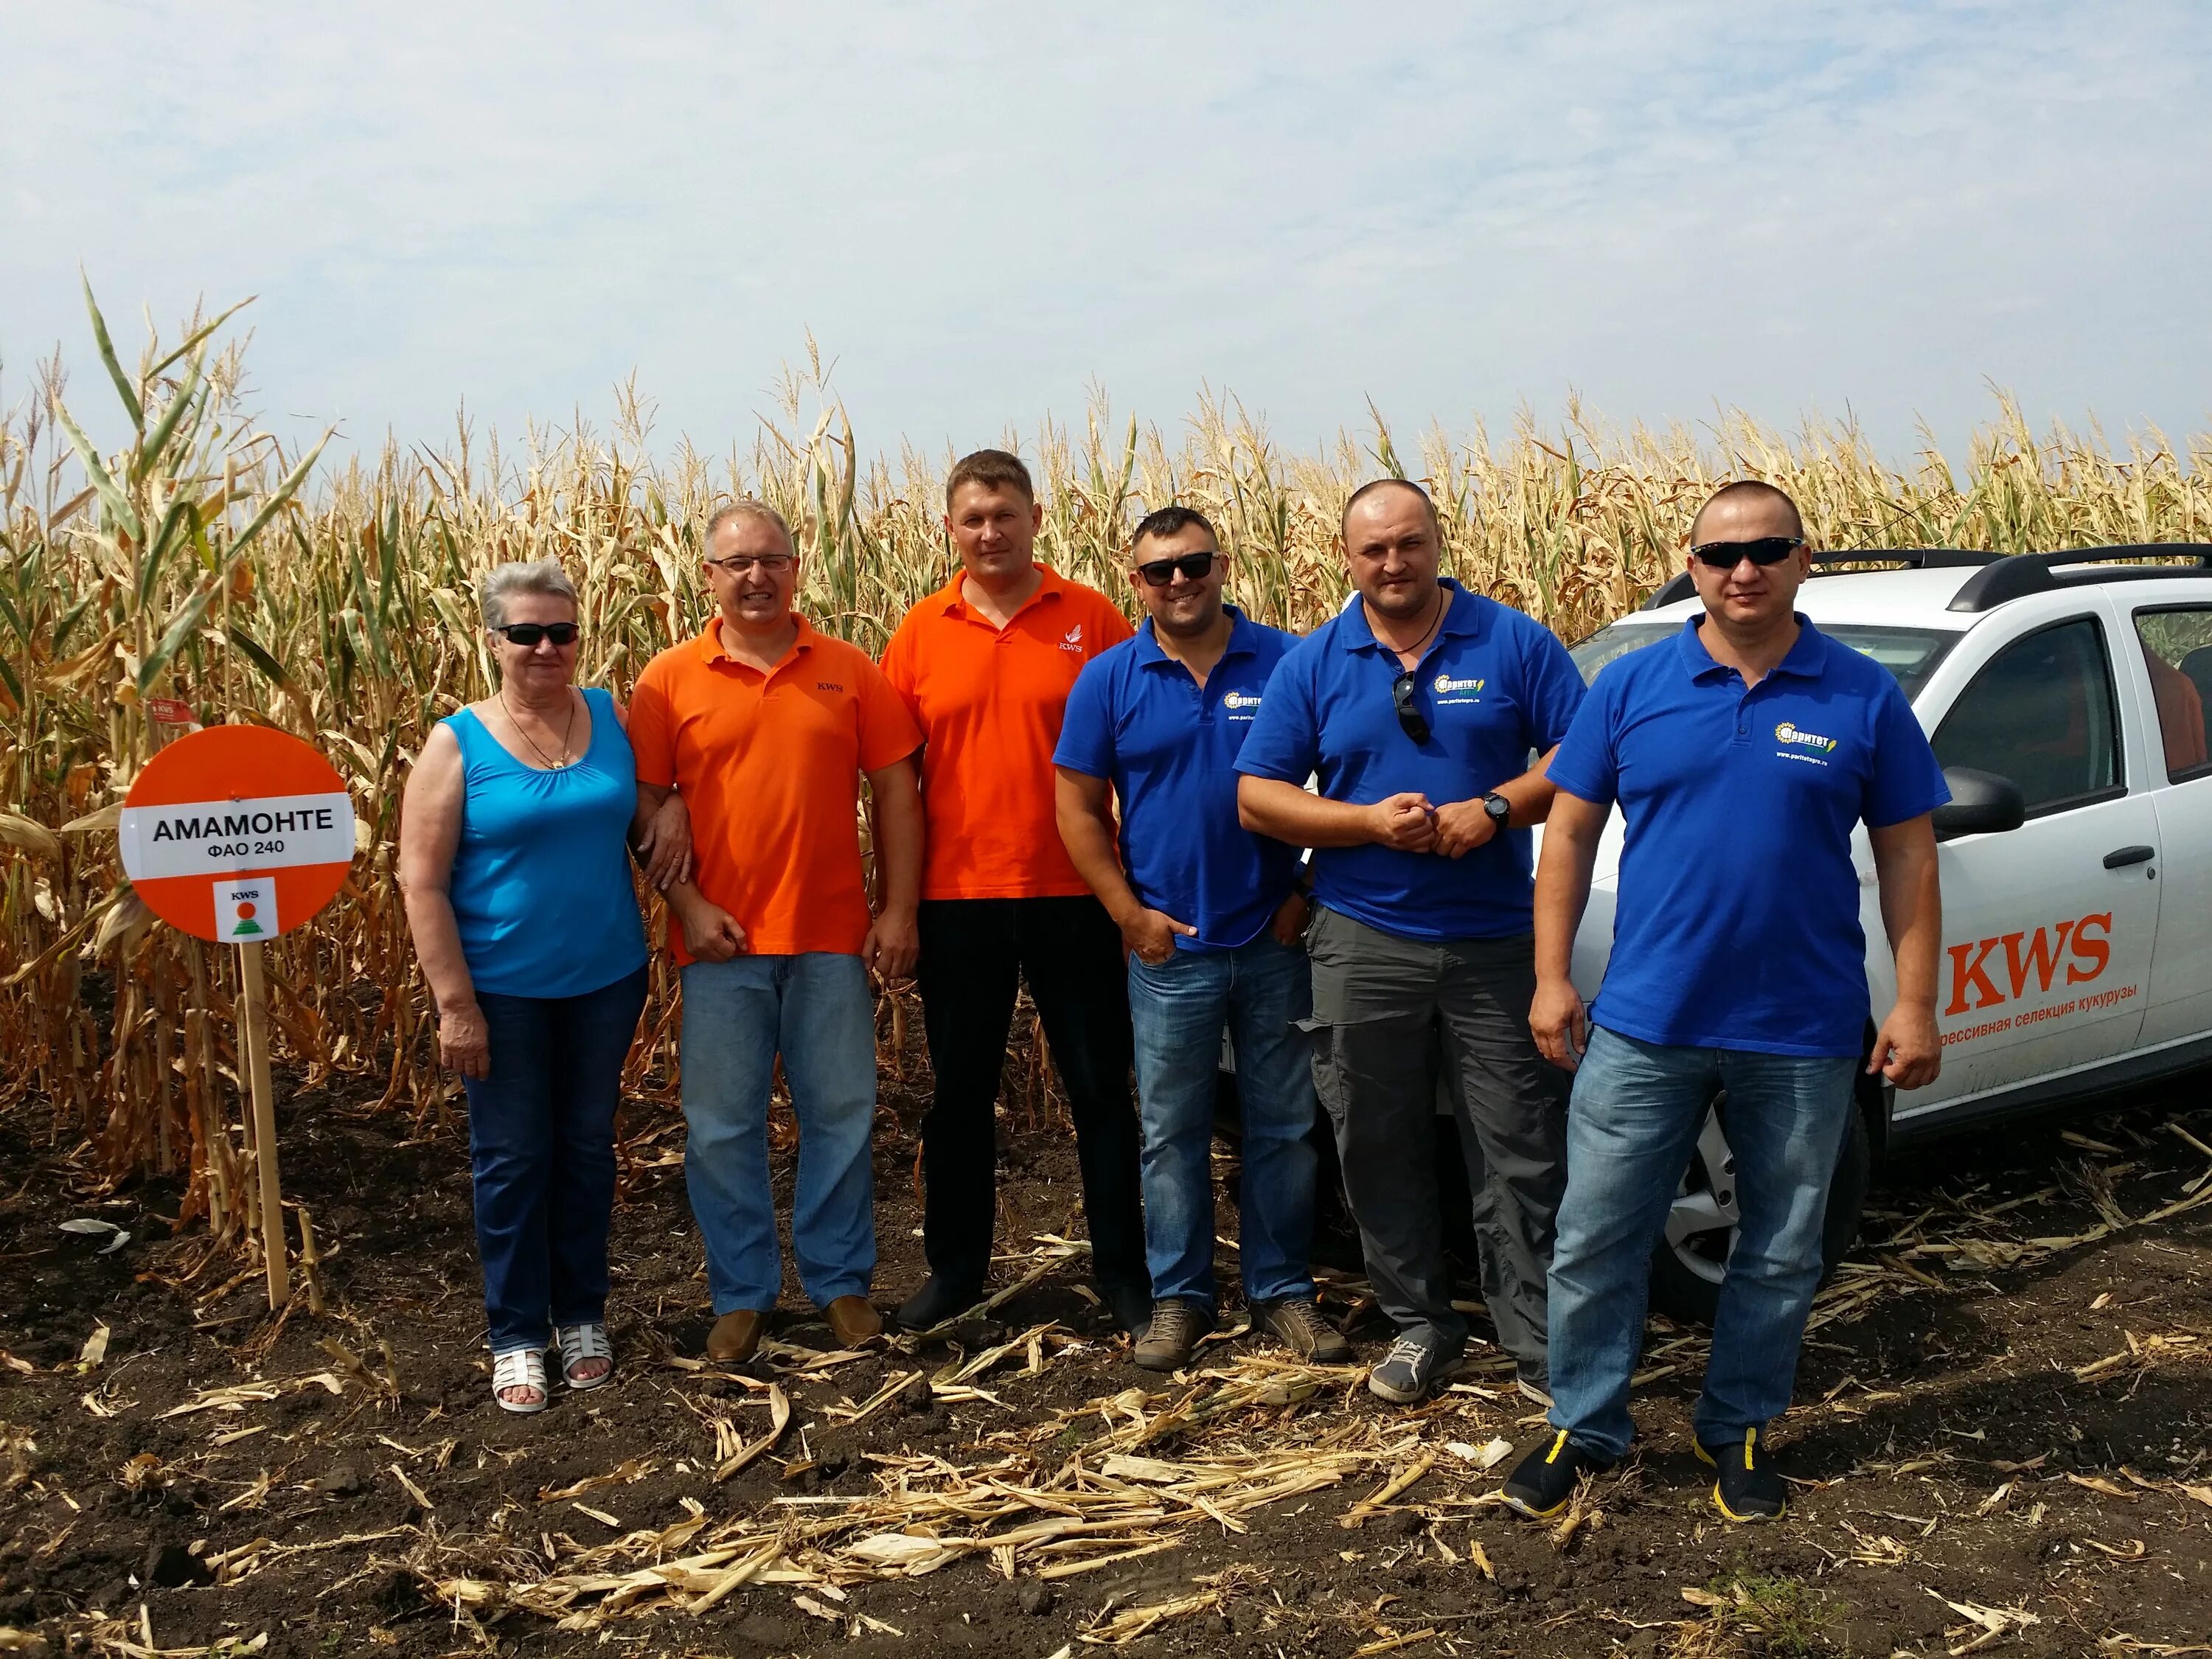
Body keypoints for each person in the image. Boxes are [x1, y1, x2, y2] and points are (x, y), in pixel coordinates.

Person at [1503, 480, 1945, 1525]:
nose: (1742, 570)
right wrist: (1553, 974)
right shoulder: (1630, 686)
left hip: (1802, 1027)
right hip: (1648, 1018)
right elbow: (1565, 833)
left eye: (1768, 549)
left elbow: (1910, 855)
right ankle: (1585, 1421)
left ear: (1803, 560)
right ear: (1691, 565)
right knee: (1596, 1232)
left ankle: (1738, 1426)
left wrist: (1915, 1001)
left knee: (1784, 1244)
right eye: (1720, 554)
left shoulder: (1861, 695)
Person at [1235, 479, 1587, 1405]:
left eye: (1409, 544)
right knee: (1375, 1142)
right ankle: (1421, 1325)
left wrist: (1499, 807)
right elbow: (1258, 793)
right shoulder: (1317, 661)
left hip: (1496, 943)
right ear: (1348, 559)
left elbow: (1587, 754)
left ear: (1437, 542)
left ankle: (1539, 1342)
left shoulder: (1513, 642)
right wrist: (1362, 824)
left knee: (1518, 1146)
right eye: (1374, 550)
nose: (1393, 563)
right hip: (1361, 939)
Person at [1054, 506, 1352, 1371]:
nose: (1179, 582)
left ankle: (1281, 1290)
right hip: (1169, 946)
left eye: (1194, 565)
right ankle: (1181, 1298)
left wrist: (1306, 888)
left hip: (1275, 936)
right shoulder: (1110, 678)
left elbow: (1350, 778)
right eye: (1160, 571)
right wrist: (1127, 913)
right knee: (1172, 1133)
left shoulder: (1292, 660)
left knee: (1284, 1128)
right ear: (1134, 577)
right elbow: (1075, 806)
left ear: (1222, 565)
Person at [628, 501, 925, 1366]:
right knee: (721, 1126)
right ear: (708, 577)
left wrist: (897, 909)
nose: (756, 576)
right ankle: (743, 1294)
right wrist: (688, 909)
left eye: (772, 559)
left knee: (841, 1114)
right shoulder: (668, 680)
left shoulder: (847, 670)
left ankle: (840, 1285)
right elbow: (642, 801)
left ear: (797, 568)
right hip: (719, 945)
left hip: (831, 937)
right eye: (737, 563)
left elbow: (896, 793)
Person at [399, 559, 689, 1413]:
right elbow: (420, 881)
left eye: (562, 632)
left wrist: (667, 807)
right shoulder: (458, 743)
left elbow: (645, 812)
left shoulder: (607, 715)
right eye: (525, 633)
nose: (546, 648)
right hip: (503, 993)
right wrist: (458, 1007)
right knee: (513, 1160)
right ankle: (518, 1334)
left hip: (606, 980)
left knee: (587, 1151)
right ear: (492, 641)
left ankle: (583, 1316)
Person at [880, 448, 1150, 1338]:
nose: (989, 531)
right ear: (949, 529)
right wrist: (901, 903)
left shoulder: (1094, 619)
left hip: (1078, 892)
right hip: (959, 900)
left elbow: (1139, 754)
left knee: (1101, 1093)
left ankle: (1122, 1273)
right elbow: (894, 783)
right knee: (958, 1099)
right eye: (972, 517)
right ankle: (955, 1272)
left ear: (1037, 518)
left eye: (1005, 513)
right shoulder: (921, 631)